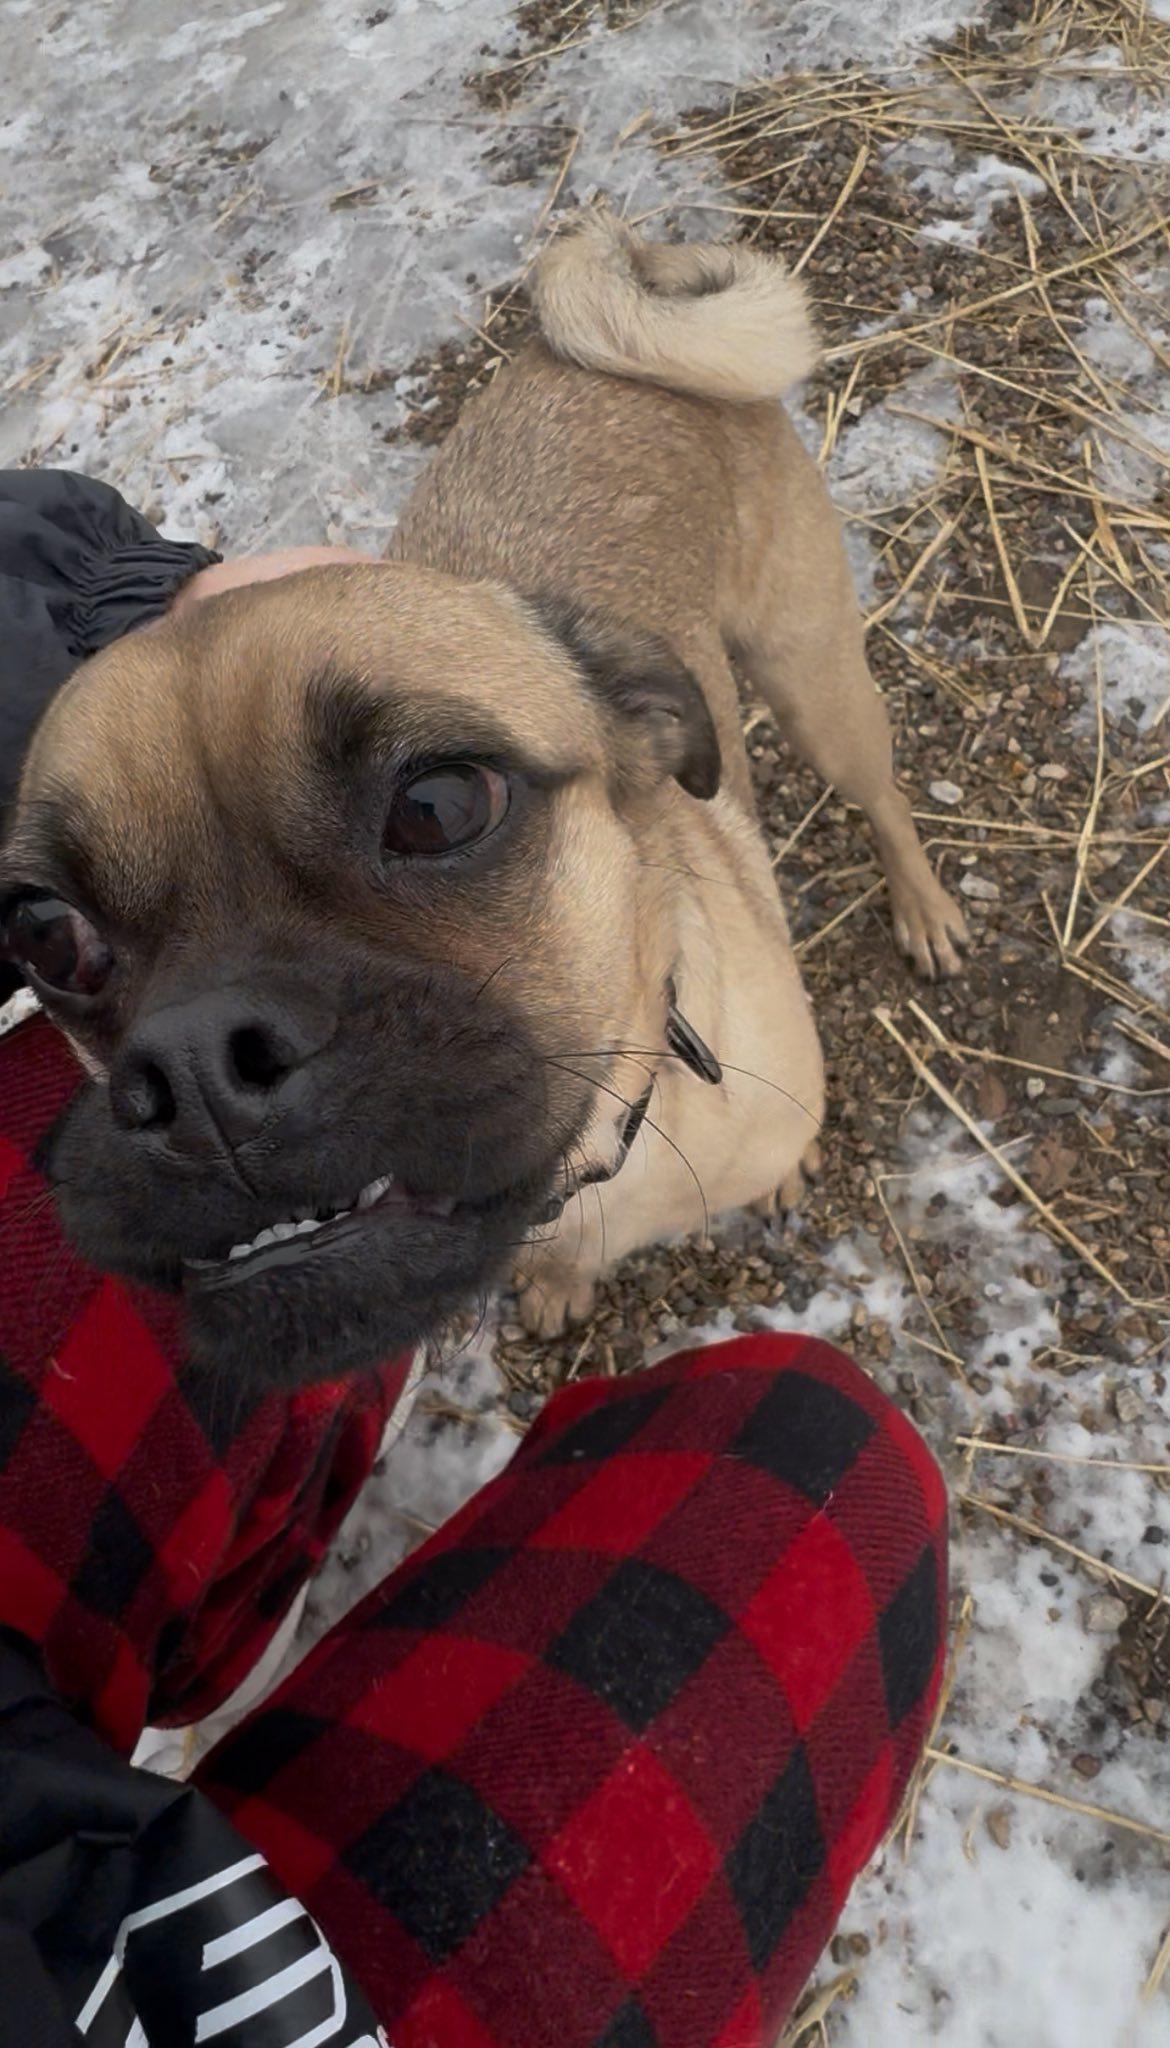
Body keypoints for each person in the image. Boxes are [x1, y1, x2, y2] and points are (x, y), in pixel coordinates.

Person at [0, 471, 948, 2048]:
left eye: (433, 816)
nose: (210, 1052)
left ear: (650, 748)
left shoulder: (746, 1087)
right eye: (73, 954)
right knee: (816, 1462)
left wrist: (115, 596)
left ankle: (902, 832)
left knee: (849, 747)